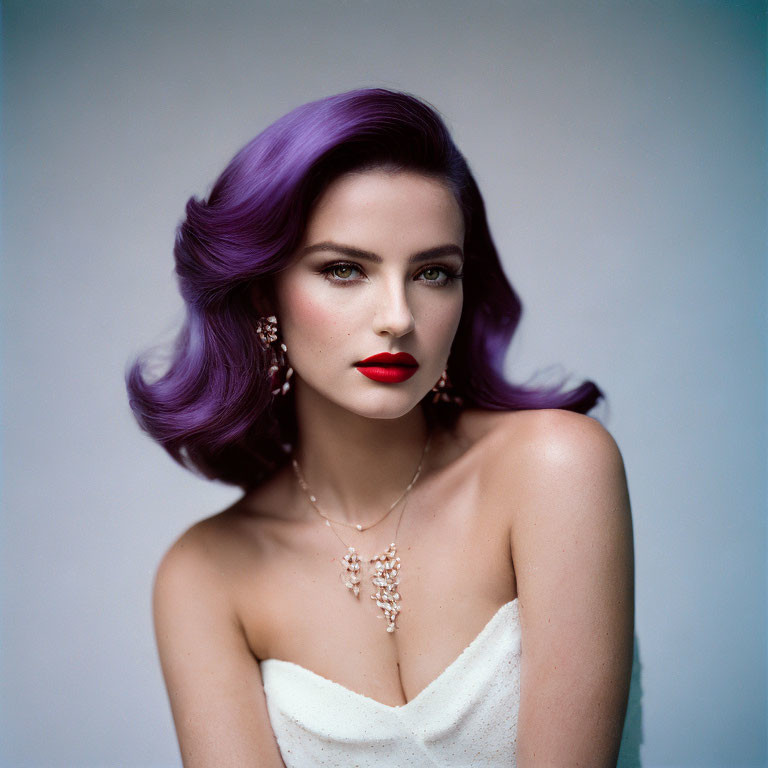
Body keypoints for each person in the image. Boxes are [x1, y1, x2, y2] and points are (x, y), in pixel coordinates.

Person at [126, 88, 634, 767]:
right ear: (262, 296)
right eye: (344, 269)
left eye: (432, 272)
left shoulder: (557, 468)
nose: (398, 316)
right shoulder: (205, 576)